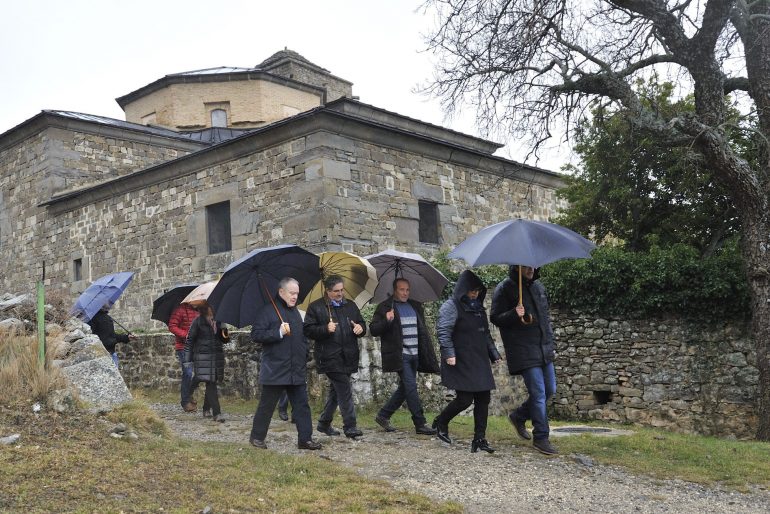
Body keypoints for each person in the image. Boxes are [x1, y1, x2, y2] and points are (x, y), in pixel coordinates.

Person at [490, 265, 558, 455]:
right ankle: (541, 437)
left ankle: (518, 416)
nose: (531, 269)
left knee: (550, 390)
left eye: (533, 265)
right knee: (539, 393)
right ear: (517, 266)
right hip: (523, 349)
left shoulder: (539, 287)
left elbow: (545, 319)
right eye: (526, 266)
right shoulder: (505, 288)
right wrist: (514, 314)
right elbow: (495, 317)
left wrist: (550, 344)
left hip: (543, 348)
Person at [249, 277, 322, 450]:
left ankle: (305, 439)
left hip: (295, 368)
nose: (295, 296)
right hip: (275, 368)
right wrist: (278, 332)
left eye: (297, 293)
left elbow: (301, 337)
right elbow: (256, 335)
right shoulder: (267, 311)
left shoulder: (295, 312)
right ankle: (257, 437)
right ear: (281, 292)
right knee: (267, 406)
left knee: (302, 406)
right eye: (292, 293)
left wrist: (303, 355)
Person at [433, 270, 502, 453]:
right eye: (472, 291)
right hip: (459, 358)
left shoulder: (478, 308)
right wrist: (449, 353)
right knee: (464, 399)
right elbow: (443, 331)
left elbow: (485, 334)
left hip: (478, 359)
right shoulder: (451, 306)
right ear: (463, 289)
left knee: (483, 398)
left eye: (478, 291)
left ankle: (479, 439)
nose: (475, 294)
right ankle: (441, 421)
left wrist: (494, 353)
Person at [370, 278, 438, 435]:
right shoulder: (385, 307)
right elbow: (373, 329)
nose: (405, 293)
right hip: (401, 355)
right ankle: (420, 423)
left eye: (407, 290)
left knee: (405, 388)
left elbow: (422, 330)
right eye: (401, 289)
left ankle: (383, 415)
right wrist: (387, 321)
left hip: (416, 354)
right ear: (394, 290)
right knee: (411, 388)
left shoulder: (415, 305)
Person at [304, 275, 367, 438]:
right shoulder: (316, 307)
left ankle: (324, 424)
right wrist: (325, 328)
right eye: (336, 291)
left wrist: (360, 328)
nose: (340, 293)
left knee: (336, 391)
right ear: (328, 291)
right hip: (329, 357)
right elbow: (308, 330)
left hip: (348, 355)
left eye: (341, 290)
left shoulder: (351, 305)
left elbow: (362, 324)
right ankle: (350, 426)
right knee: (344, 389)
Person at [183, 302, 228, 423]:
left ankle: (205, 409)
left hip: (216, 357)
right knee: (211, 382)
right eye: (212, 306)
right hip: (202, 357)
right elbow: (189, 341)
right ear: (205, 308)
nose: (214, 308)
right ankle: (217, 413)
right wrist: (187, 360)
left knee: (211, 380)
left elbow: (225, 340)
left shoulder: (218, 321)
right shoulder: (198, 321)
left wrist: (224, 329)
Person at [168, 302, 200, 413]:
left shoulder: (199, 311)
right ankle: (185, 402)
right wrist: (186, 335)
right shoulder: (180, 309)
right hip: (183, 347)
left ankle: (189, 394)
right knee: (188, 372)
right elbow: (172, 326)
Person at [88, 302, 136, 367]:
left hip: (110, 353)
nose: (108, 304)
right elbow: (96, 337)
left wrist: (127, 337)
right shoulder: (94, 319)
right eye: (105, 302)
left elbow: (112, 335)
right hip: (103, 354)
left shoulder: (106, 317)